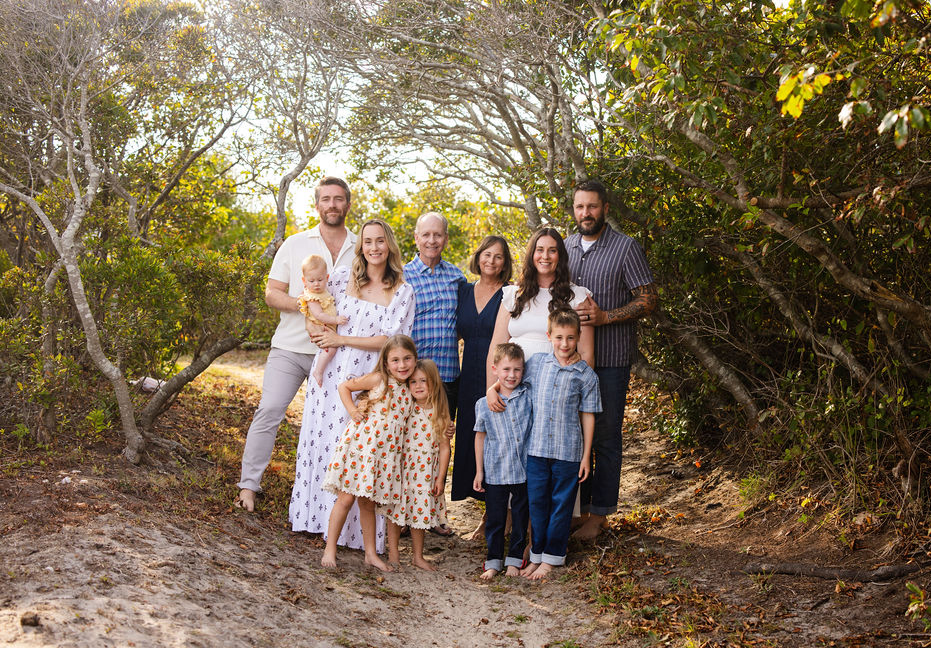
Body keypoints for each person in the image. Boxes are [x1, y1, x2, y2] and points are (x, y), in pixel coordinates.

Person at [289, 219, 415, 554]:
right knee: (324, 444)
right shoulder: (343, 278)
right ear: (361, 246)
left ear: (389, 245)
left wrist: (340, 338)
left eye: (380, 241)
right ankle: (316, 523)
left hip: (366, 382)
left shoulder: (402, 290)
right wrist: (318, 334)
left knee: (358, 453)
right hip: (330, 376)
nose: (374, 248)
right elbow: (314, 306)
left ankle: (357, 538)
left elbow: (391, 341)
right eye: (368, 242)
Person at [236, 177, 356, 512]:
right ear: (317, 205)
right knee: (270, 410)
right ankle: (248, 486)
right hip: (290, 347)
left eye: (338, 199)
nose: (332, 205)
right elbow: (271, 293)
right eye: (326, 199)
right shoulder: (294, 243)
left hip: (338, 354)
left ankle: (326, 502)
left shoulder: (362, 245)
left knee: (335, 427)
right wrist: (304, 304)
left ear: (348, 204)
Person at [567, 179, 658, 541]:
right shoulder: (566, 246)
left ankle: (598, 515)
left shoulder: (625, 247)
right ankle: (576, 509)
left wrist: (606, 316)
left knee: (605, 437)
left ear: (605, 208)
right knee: (574, 437)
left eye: (591, 206)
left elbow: (649, 300)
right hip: (570, 361)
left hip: (610, 361)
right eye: (579, 207)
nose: (585, 213)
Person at [491, 309, 601, 581]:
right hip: (536, 450)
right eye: (559, 337)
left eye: (571, 338)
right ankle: (537, 554)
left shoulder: (585, 375)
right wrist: (491, 389)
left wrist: (586, 456)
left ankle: (552, 558)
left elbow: (588, 416)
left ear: (578, 338)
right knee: (537, 504)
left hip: (568, 452)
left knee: (561, 504)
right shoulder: (538, 363)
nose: (565, 344)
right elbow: (511, 381)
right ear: (549, 336)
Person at [321, 335, 417, 572]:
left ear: (415, 360)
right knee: (345, 498)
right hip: (361, 450)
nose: (402, 365)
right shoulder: (379, 379)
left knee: (368, 505)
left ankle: (370, 554)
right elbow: (345, 386)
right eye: (395, 360)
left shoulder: (410, 388)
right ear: (385, 363)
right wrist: (353, 410)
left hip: (383, 457)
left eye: (407, 359)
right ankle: (330, 548)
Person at [402, 211, 465, 535]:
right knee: (407, 444)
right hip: (412, 379)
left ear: (445, 239)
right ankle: (402, 515)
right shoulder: (402, 276)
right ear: (416, 238)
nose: (431, 240)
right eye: (425, 235)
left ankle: (435, 515)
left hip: (448, 378)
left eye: (437, 235)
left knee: (440, 444)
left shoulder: (457, 278)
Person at [451, 236, 512, 511]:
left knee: (496, 440)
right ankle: (480, 506)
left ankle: (496, 514)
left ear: (504, 263)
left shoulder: (510, 293)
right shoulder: (463, 290)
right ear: (478, 257)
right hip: (468, 373)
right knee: (471, 437)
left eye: (498, 256)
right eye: (487, 254)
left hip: (498, 375)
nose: (491, 261)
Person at [487, 227, 594, 379]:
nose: (545, 256)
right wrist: (491, 391)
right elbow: (495, 348)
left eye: (552, 250)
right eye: (540, 250)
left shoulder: (577, 297)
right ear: (532, 254)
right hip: (513, 386)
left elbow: (586, 354)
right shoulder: (514, 294)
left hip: (556, 387)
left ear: (560, 256)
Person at [381, 359, 452, 571]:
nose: (418, 386)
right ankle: (393, 553)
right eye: (413, 382)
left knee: (418, 515)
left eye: (424, 381)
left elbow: (445, 447)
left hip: (425, 474)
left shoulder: (440, 411)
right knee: (395, 512)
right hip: (402, 469)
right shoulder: (406, 407)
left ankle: (418, 556)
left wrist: (440, 477)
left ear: (434, 383)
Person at [472, 342, 532, 580]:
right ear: (495, 369)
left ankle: (515, 561)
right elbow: (480, 437)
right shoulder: (484, 404)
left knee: (519, 519)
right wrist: (479, 471)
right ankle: (493, 561)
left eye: (517, 370)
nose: (511, 375)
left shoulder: (527, 397)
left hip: (523, 470)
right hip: (496, 471)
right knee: (496, 519)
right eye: (506, 369)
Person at [297, 254, 349, 386]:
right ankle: (318, 371)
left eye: (320, 280)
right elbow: (319, 315)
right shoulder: (312, 297)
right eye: (311, 281)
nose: (316, 284)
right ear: (304, 281)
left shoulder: (323, 292)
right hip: (323, 326)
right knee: (331, 349)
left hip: (329, 326)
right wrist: (336, 320)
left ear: (326, 278)